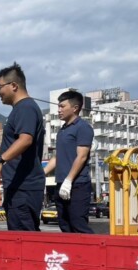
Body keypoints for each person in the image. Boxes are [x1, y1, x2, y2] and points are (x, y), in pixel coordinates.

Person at [0, 62, 46, 231]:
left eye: (0, 87)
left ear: (13, 85)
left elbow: (25, 139)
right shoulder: (20, 109)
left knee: (24, 241)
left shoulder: (25, 108)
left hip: (24, 187)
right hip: (19, 186)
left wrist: (0, 160)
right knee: (21, 239)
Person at [43, 90, 95, 234]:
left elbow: (82, 156)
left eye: (62, 106)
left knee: (78, 225)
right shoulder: (62, 130)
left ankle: (92, 255)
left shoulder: (83, 127)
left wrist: (69, 180)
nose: (59, 110)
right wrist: (42, 174)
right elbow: (57, 157)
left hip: (77, 185)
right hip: (60, 184)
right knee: (64, 226)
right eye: (58, 106)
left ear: (75, 108)